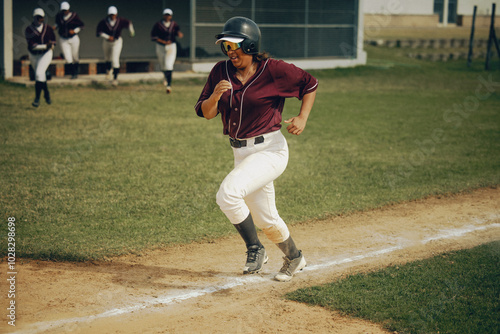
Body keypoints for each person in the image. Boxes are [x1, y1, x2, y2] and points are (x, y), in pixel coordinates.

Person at [194, 17, 318, 282]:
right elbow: (206, 113)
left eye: (235, 45)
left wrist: (302, 117)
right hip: (241, 153)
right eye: (226, 46)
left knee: (227, 195)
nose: (230, 52)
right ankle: (295, 257)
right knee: (266, 218)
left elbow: (310, 84)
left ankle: (255, 249)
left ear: (250, 45)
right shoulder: (220, 72)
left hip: (270, 151)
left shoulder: (273, 70)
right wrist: (215, 95)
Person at [25, 8, 56, 107]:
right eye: (38, 17)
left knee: (38, 74)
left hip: (45, 54)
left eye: (41, 18)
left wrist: (50, 46)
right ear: (34, 18)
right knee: (40, 76)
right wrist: (45, 45)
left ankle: (37, 99)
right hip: (33, 54)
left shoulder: (48, 28)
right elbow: (32, 46)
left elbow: (52, 42)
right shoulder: (29, 29)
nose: (40, 20)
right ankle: (46, 94)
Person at [96, 6, 135, 85]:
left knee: (115, 59)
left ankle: (115, 78)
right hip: (107, 42)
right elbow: (98, 32)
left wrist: (131, 31)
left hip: (117, 42)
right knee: (107, 58)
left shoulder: (120, 21)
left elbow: (129, 23)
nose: (112, 16)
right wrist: (107, 36)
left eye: (113, 15)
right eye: (111, 15)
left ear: (116, 14)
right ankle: (108, 70)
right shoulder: (104, 22)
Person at [150, 8, 184, 94]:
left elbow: (177, 32)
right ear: (163, 15)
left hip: (171, 46)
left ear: (171, 16)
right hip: (160, 46)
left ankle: (169, 85)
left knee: (169, 65)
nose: (167, 17)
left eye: (169, 15)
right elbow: (153, 36)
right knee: (162, 65)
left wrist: (179, 34)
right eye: (166, 15)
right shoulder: (158, 25)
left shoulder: (174, 24)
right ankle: (165, 76)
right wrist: (163, 41)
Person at [54, 1, 84, 79]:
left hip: (73, 38)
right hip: (63, 39)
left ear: (68, 9)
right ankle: (73, 73)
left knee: (75, 56)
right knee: (68, 58)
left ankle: (76, 70)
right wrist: (54, 27)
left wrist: (74, 30)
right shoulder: (59, 16)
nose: (65, 12)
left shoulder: (74, 16)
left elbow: (81, 25)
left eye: (66, 10)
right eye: (63, 10)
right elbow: (57, 24)